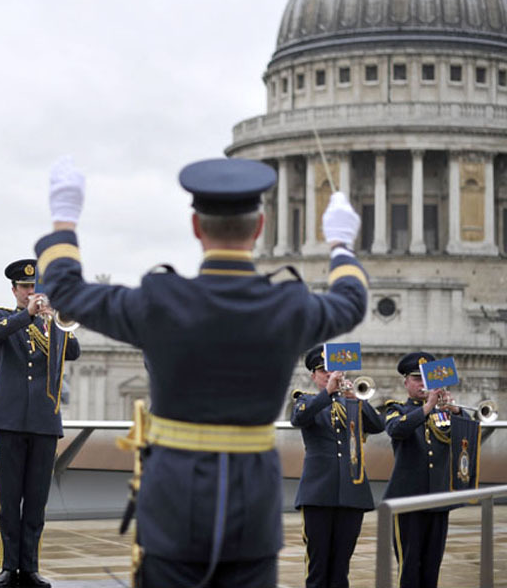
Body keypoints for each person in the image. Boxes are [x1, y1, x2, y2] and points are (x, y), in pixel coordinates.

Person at [33, 156, 368, 588]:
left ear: (196, 226)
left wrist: (65, 220)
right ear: (260, 226)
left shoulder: (161, 300)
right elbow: (351, 299)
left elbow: (65, 290)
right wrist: (340, 244)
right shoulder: (288, 306)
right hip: (253, 509)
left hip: (173, 503)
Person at [0, 258, 81, 588]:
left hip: (43, 420)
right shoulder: (1, 317)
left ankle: (31, 566)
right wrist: (27, 315)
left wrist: (51, 319)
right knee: (9, 501)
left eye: (36, 287)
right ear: (15, 290)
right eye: (26, 287)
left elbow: (74, 351)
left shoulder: (53, 325)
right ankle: (8, 566)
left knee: (36, 501)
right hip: (9, 421)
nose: (32, 292)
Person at [290, 345, 384, 588]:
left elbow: (377, 426)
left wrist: (357, 399)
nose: (331, 375)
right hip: (318, 493)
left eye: (334, 371)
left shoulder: (352, 404)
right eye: (324, 371)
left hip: (351, 493)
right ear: (314, 376)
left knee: (341, 568)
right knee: (318, 568)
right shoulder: (306, 400)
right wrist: (328, 393)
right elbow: (298, 419)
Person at [383, 352, 478, 588]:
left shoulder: (445, 413)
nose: (422, 383)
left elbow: (468, 438)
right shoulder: (397, 409)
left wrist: (457, 412)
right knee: (409, 564)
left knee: (432, 564)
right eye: (416, 378)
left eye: (426, 378)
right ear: (406, 382)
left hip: (438, 497)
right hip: (408, 498)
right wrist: (427, 407)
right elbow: (396, 430)